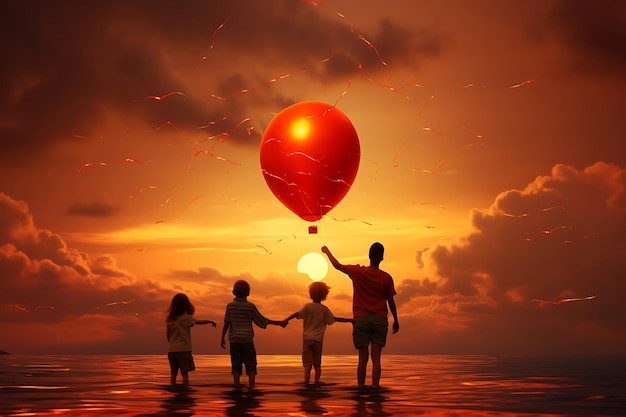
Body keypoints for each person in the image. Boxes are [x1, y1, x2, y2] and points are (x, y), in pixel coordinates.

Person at [321, 243, 399, 389]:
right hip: (379, 319)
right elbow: (391, 301)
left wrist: (327, 252)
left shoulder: (357, 271)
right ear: (381, 257)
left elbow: (337, 265)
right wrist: (396, 319)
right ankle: (375, 389)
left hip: (361, 319)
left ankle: (361, 390)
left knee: (362, 359)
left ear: (369, 256)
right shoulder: (386, 278)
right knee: (376, 359)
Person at [221, 279, 287, 389]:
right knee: (251, 365)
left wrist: (222, 337)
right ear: (248, 293)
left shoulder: (230, 306)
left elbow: (226, 323)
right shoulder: (250, 307)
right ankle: (252, 387)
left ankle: (236, 387)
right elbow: (261, 320)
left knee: (236, 364)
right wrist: (279, 323)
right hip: (247, 340)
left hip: (234, 340)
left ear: (233, 292)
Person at [285, 281, 353, 385]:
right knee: (317, 364)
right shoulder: (324, 309)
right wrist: (350, 320)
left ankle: (306, 382)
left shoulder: (307, 306)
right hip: (318, 341)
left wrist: (285, 320)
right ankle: (317, 382)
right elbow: (334, 319)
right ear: (324, 296)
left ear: (311, 294)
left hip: (307, 339)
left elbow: (297, 314)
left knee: (307, 364)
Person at [166, 293, 217, 385]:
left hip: (171, 350)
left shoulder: (170, 319)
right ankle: (185, 393)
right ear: (186, 305)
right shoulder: (186, 318)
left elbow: (168, 335)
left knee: (173, 374)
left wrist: (172, 344)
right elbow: (198, 322)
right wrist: (210, 321)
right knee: (184, 374)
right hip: (183, 349)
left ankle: (173, 391)